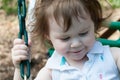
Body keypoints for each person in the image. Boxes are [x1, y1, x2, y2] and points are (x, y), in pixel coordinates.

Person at [11, 0, 120, 80]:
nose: (76, 44)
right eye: (65, 38)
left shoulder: (113, 57)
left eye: (83, 33)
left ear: (94, 25)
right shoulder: (51, 72)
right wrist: (20, 68)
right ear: (47, 36)